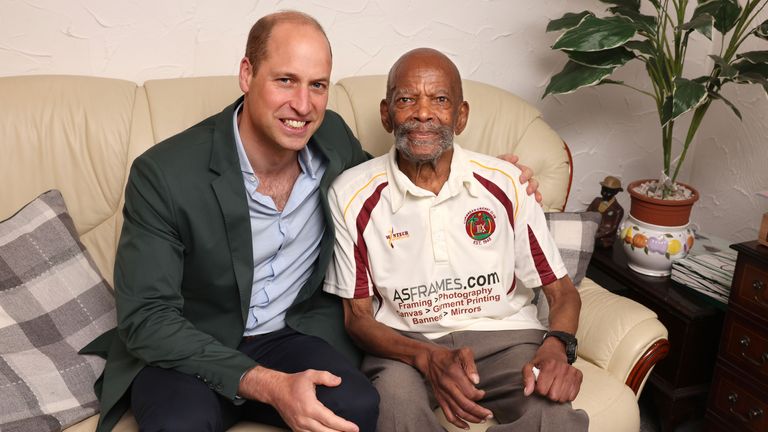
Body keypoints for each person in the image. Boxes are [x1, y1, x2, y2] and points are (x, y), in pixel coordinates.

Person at [80, 12, 541, 432]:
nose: (303, 105)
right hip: (191, 344)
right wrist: (265, 385)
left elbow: (399, 187)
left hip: (289, 334)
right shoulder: (163, 173)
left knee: (359, 406)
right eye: (285, 80)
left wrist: (488, 177)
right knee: (181, 424)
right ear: (247, 74)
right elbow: (147, 318)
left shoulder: (333, 139)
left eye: (317, 85)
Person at [324, 48, 589, 431]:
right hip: (405, 347)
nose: (423, 113)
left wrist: (557, 347)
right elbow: (358, 319)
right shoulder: (351, 193)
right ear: (386, 114)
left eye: (440, 100)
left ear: (461, 116)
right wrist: (426, 356)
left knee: (555, 418)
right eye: (406, 99)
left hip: (507, 342)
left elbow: (562, 292)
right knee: (394, 407)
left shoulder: (506, 183)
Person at [586, 175, 624, 248]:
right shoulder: (596, 201)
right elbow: (587, 214)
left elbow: (612, 229)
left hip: (604, 239)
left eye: (609, 192)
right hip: (590, 232)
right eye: (603, 190)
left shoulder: (618, 210)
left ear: (616, 192)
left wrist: (595, 235)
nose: (605, 193)